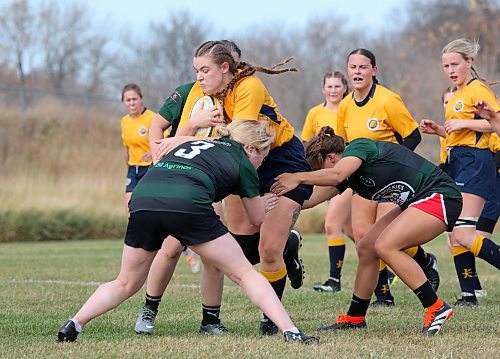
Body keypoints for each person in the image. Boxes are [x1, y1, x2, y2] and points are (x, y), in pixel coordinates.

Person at [57, 120, 319, 345]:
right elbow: (256, 218)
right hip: (186, 202)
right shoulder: (245, 164)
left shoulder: (199, 144)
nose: (263, 161)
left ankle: (74, 324)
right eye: (264, 154)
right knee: (245, 273)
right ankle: (291, 331)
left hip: (144, 197)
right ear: (251, 148)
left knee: (125, 282)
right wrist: (263, 202)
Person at [135, 40, 304, 336]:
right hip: (217, 168)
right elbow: (169, 131)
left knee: (267, 247)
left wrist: (181, 139)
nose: (200, 76)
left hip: (275, 161)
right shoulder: (200, 92)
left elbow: (238, 143)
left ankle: (269, 323)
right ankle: (163, 312)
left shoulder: (245, 88)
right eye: (198, 70)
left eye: (205, 69)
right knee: (227, 247)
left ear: (227, 68)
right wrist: (184, 133)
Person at [271, 127, 463, 336]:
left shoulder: (358, 147)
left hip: (440, 195)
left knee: (385, 246)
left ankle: (436, 308)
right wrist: (273, 198)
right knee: (367, 247)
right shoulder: (347, 178)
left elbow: (336, 175)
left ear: (332, 157)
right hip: (417, 200)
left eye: (319, 170)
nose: (318, 176)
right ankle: (355, 318)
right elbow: (309, 200)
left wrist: (298, 177)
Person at [335, 48, 439, 306]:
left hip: (391, 181)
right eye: (353, 67)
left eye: (362, 67)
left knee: (385, 236)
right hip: (363, 181)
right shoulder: (346, 105)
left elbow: (413, 135)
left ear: (374, 70)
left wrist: (392, 164)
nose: (357, 72)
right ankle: (384, 294)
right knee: (362, 238)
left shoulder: (387, 99)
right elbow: (343, 144)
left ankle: (425, 261)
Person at [420, 38, 500, 306]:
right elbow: (465, 133)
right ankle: (469, 294)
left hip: (476, 162)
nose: (451, 69)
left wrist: (463, 121)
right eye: (446, 65)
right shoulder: (457, 93)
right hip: (459, 160)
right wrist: (441, 131)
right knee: (454, 233)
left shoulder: (477, 89)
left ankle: (470, 293)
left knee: (464, 233)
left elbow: (495, 123)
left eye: (455, 63)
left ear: (469, 62)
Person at [301, 71, 354, 292]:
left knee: (332, 224)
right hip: (325, 176)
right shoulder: (315, 113)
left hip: (345, 175)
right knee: (355, 231)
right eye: (329, 86)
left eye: (337, 86)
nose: (333, 90)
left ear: (345, 88)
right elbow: (306, 144)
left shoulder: (350, 108)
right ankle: (388, 272)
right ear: (323, 89)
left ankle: (334, 280)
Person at [120, 83, 155, 216]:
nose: (132, 103)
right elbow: (127, 147)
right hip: (133, 170)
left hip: (150, 169)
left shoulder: (151, 118)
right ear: (123, 102)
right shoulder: (124, 121)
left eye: (135, 99)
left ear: (141, 98)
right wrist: (128, 165)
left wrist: (153, 153)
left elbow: (164, 142)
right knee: (130, 209)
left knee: (148, 209)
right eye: (128, 100)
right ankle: (134, 237)